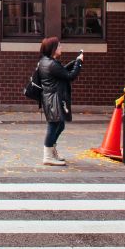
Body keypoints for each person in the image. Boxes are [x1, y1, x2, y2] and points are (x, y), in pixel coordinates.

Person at [33, 36, 83, 166]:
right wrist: (79, 63)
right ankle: (47, 156)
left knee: (60, 125)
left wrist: (73, 63)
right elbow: (70, 76)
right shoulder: (51, 64)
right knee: (54, 125)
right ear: (53, 48)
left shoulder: (46, 61)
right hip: (52, 99)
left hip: (51, 98)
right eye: (59, 46)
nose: (61, 48)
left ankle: (51, 150)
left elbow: (61, 73)